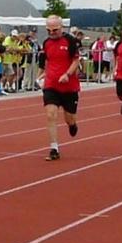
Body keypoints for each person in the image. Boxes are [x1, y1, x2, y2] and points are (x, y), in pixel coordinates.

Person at [41, 15, 81, 161]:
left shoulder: (70, 41)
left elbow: (76, 61)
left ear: (61, 27)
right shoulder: (46, 43)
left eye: (55, 30)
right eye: (49, 30)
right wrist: (42, 76)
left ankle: (73, 125)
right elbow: (47, 61)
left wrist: (67, 74)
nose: (52, 33)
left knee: (69, 118)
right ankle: (54, 148)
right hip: (51, 84)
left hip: (69, 86)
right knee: (50, 115)